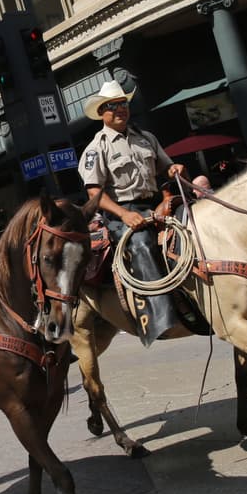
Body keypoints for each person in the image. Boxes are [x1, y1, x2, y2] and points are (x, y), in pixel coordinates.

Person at [78, 80, 189, 345]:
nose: (119, 109)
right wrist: (124, 215)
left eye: (123, 104)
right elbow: (94, 193)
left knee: (192, 219)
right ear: (102, 112)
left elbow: (166, 167)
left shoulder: (146, 137)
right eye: (112, 106)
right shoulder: (96, 148)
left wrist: (174, 170)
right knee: (141, 244)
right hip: (120, 213)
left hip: (153, 203)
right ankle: (159, 317)